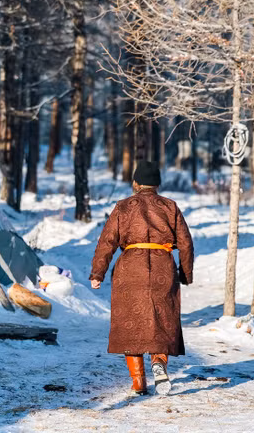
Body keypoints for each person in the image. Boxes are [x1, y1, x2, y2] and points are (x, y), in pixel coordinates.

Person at [89, 160, 194, 396]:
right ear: (157, 184)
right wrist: (185, 274)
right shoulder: (170, 206)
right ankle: (159, 362)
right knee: (162, 319)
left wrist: (98, 273)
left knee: (130, 324)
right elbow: (185, 243)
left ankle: (138, 382)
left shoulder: (123, 207)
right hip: (162, 267)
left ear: (135, 183)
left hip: (130, 269)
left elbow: (107, 241)